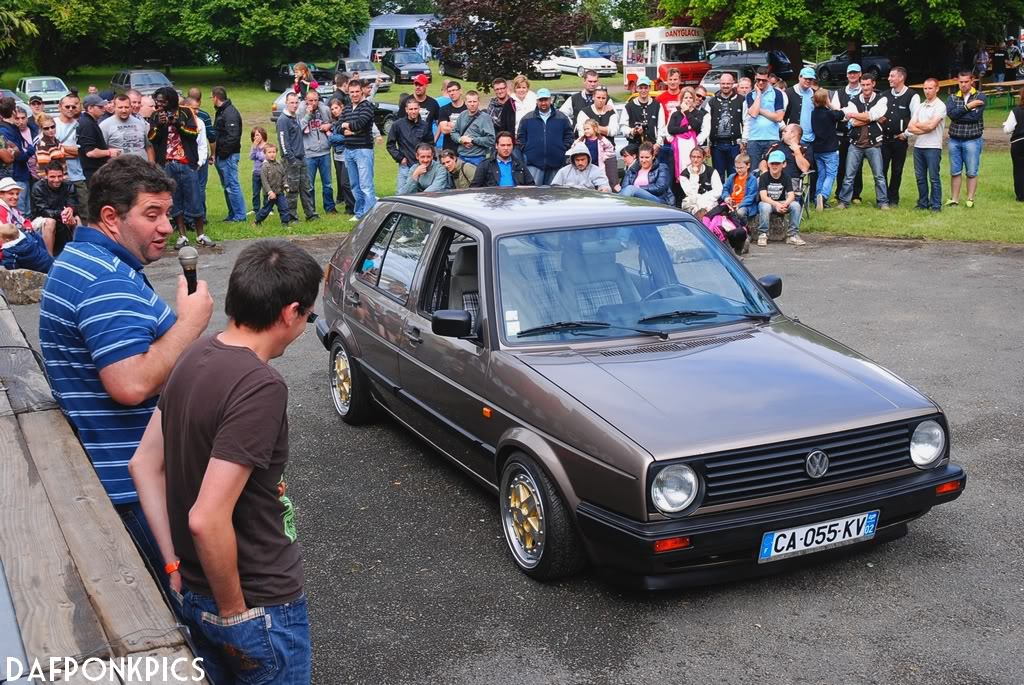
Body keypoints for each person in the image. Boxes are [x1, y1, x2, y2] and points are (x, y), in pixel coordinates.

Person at [129, 239, 319, 685]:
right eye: (308, 315)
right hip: (257, 600)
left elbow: (143, 464)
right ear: (291, 312)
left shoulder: (193, 354)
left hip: (193, 590)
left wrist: (174, 564)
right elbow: (206, 518)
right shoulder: (260, 385)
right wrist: (236, 614)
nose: (307, 325)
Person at [39, 155, 214, 593]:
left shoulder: (87, 260)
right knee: (184, 604)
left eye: (168, 214)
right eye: (151, 214)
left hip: (128, 474)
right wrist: (190, 325)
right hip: (133, 487)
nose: (166, 227)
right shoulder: (104, 281)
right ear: (111, 218)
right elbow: (130, 384)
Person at [148, 87, 213, 248]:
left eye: (162, 101)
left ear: (170, 100)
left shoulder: (186, 112)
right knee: (174, 200)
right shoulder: (155, 116)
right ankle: (182, 236)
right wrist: (161, 125)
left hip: (186, 163)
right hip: (167, 164)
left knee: (195, 198)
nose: (159, 104)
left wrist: (176, 123)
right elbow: (152, 138)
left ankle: (201, 234)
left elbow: (193, 133)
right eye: (157, 101)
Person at [837, 73, 889, 210]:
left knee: (879, 175)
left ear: (873, 84)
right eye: (863, 85)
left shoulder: (881, 99)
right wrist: (869, 117)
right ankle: (844, 201)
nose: (865, 87)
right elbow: (853, 122)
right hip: (855, 144)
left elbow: (874, 115)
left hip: (874, 144)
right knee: (849, 176)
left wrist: (855, 115)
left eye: (868, 84)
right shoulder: (853, 101)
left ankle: (883, 202)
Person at [946, 70, 987, 208]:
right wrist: (969, 106)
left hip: (972, 139)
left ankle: (970, 199)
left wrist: (959, 114)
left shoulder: (980, 96)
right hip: (954, 139)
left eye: (966, 82)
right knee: (955, 171)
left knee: (971, 171)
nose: (963, 85)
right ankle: (954, 199)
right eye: (961, 82)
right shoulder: (952, 97)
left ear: (972, 81)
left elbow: (974, 117)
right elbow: (951, 115)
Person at [337, 80, 377, 220]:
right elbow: (337, 127)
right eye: (351, 92)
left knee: (366, 184)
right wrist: (350, 129)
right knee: (354, 185)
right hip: (349, 150)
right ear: (348, 92)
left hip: (363, 150)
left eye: (356, 92)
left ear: (362, 91)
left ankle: (370, 215)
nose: (354, 94)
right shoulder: (347, 108)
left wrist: (348, 126)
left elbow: (360, 123)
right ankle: (359, 213)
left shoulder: (367, 106)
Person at [517, 89, 574, 185]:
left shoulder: (561, 117)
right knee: (534, 193)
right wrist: (527, 149)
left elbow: (569, 135)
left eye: (546, 100)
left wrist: (562, 148)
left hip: (556, 163)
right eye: (541, 100)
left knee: (554, 195)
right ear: (537, 101)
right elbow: (521, 137)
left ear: (550, 100)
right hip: (534, 164)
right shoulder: (527, 118)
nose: (543, 103)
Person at [880, 67, 920, 207]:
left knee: (897, 170)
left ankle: (893, 199)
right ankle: (882, 198)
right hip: (884, 139)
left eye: (892, 76)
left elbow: (916, 117)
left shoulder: (912, 96)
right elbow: (876, 114)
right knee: (882, 169)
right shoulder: (884, 95)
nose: (889, 78)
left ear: (901, 78)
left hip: (900, 140)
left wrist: (906, 134)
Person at [0, 177, 54, 273]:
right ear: (1, 194)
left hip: (17, 241)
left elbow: (24, 221)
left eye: (17, 194)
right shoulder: (2, 210)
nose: (16, 197)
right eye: (11, 193)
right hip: (9, 250)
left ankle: (48, 260)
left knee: (44, 227)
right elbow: (5, 237)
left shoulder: (11, 208)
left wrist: (28, 227)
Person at [908, 78, 947, 211]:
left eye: (930, 88)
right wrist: (925, 126)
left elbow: (932, 126)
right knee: (920, 177)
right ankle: (922, 203)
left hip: (933, 147)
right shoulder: (920, 106)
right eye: (925, 88)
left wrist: (920, 126)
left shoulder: (940, 106)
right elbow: (910, 127)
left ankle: (936, 205)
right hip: (919, 146)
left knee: (934, 177)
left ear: (937, 89)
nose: (927, 91)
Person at [276, 92, 316, 222]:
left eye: (296, 102)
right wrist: (291, 160)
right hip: (291, 160)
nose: (294, 105)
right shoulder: (283, 120)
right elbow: (283, 142)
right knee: (292, 190)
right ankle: (291, 217)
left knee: (305, 187)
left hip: (301, 157)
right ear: (286, 103)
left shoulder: (296, 117)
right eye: (291, 102)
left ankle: (310, 214)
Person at [210, 87, 246, 222]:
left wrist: (223, 154)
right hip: (223, 155)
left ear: (215, 97)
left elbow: (233, 136)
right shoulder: (222, 111)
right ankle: (233, 214)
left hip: (228, 156)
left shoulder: (229, 113)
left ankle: (239, 215)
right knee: (227, 186)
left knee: (232, 185)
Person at [295, 89, 332, 218]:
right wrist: (307, 115)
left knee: (327, 183)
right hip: (309, 153)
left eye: (315, 100)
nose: (313, 103)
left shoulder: (324, 110)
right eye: (310, 100)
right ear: (306, 100)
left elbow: (331, 123)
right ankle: (312, 209)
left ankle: (330, 208)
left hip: (324, 151)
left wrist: (329, 126)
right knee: (309, 185)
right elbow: (297, 129)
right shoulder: (300, 111)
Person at [757, 150, 804, 246]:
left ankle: (792, 234)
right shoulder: (763, 177)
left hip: (782, 202)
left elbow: (791, 195)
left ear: (784, 164)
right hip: (769, 202)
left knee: (795, 205)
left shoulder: (786, 177)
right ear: (768, 164)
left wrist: (785, 204)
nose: (774, 166)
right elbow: (763, 197)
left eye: (777, 163)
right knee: (765, 206)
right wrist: (777, 204)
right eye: (772, 163)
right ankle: (763, 234)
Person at [30, 160, 79, 254]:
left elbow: (74, 202)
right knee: (50, 222)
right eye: (52, 176)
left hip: (62, 215)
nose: (56, 180)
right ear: (46, 176)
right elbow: (42, 210)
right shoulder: (38, 187)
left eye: (59, 176)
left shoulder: (69, 185)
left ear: (63, 175)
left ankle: (78, 253)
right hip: (41, 218)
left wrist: (70, 209)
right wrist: (62, 213)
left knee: (76, 218)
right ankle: (49, 257)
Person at [832, 64, 864, 204]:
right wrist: (852, 115)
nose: (852, 75)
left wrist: (848, 114)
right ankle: (839, 193)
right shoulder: (839, 92)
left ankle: (856, 195)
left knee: (858, 165)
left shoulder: (865, 91)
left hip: (860, 133)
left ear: (860, 74)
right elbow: (836, 113)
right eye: (850, 73)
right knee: (841, 165)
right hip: (842, 134)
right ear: (846, 75)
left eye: (855, 73)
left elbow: (865, 113)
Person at [387, 97, 434, 192]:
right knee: (402, 192)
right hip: (405, 165)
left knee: (421, 192)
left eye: (415, 109)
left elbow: (430, 144)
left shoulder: (424, 125)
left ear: (419, 109)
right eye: (411, 109)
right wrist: (399, 158)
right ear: (406, 110)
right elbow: (390, 144)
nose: (413, 111)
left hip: (421, 165)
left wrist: (428, 161)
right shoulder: (397, 125)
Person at [810, 89, 847, 209]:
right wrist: (830, 104)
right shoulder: (829, 113)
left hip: (817, 148)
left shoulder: (814, 113)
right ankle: (823, 195)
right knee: (831, 174)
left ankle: (817, 198)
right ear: (826, 99)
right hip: (830, 149)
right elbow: (841, 114)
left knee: (821, 174)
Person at [745, 67, 785, 172]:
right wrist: (758, 94)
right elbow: (753, 113)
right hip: (754, 138)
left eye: (764, 80)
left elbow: (779, 117)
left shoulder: (777, 93)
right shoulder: (751, 94)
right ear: (755, 78)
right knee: (754, 171)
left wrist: (760, 110)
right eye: (758, 80)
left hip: (772, 137)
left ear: (768, 79)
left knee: (773, 170)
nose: (761, 82)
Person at [1, 97, 36, 215]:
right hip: (15, 176)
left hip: (23, 174)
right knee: (20, 212)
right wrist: (30, 150)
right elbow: (19, 155)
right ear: (13, 111)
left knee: (27, 211)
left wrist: (23, 150)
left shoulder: (12, 128)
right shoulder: (4, 130)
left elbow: (19, 151)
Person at [575, 87, 618, 182]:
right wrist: (604, 129)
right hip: (589, 154)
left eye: (603, 98)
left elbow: (613, 131)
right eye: (598, 97)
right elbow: (584, 132)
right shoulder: (584, 112)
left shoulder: (611, 112)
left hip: (608, 155)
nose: (601, 100)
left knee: (611, 183)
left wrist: (594, 128)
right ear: (593, 97)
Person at [54, 94, 88, 217]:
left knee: (85, 208)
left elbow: (82, 151)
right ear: (60, 107)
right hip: (58, 175)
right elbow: (50, 150)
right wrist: (72, 152)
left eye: (73, 106)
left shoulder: (80, 125)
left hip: (78, 174)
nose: (70, 109)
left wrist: (61, 149)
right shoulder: (52, 125)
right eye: (67, 106)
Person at [706, 72, 745, 179]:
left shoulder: (741, 100)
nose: (725, 86)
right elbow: (706, 124)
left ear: (733, 84)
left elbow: (746, 121)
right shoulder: (712, 102)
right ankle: (720, 196)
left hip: (734, 145)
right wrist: (707, 144)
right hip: (717, 146)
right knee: (718, 176)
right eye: (723, 83)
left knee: (736, 174)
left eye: (728, 83)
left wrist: (744, 140)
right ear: (719, 84)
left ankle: (734, 195)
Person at [187, 89, 215, 224]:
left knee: (199, 190)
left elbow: (204, 144)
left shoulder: (201, 122)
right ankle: (188, 218)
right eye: (193, 109)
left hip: (199, 162)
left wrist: (200, 161)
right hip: (186, 162)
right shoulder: (179, 122)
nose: (197, 112)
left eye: (197, 109)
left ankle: (200, 217)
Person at [78, 93, 116, 184]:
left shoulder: (90, 122)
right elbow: (90, 152)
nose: (104, 109)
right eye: (100, 107)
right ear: (90, 108)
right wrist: (109, 152)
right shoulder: (87, 124)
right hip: (93, 172)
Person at [326, 98, 355, 215]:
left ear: (342, 107)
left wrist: (332, 137)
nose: (334, 111)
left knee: (346, 182)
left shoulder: (347, 121)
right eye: (332, 109)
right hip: (337, 156)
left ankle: (353, 206)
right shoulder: (334, 123)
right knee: (341, 183)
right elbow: (334, 141)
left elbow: (344, 137)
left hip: (346, 155)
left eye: (336, 108)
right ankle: (349, 207)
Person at [453, 91, 495, 166]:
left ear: (478, 102)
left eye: (474, 101)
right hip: (461, 156)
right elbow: (454, 132)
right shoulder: (462, 115)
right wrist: (460, 140)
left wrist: (473, 140)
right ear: (465, 102)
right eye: (469, 102)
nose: (472, 104)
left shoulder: (485, 118)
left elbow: (491, 140)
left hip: (478, 158)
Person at [100, 94, 149, 158]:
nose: (124, 110)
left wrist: (151, 163)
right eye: (120, 107)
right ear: (114, 107)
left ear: (131, 107)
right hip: (119, 166)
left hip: (142, 165)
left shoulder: (140, 123)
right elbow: (101, 150)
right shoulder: (104, 125)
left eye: (126, 107)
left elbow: (149, 146)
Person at [255, 143, 293, 225]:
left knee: (284, 207)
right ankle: (257, 221)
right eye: (269, 152)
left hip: (279, 192)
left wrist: (285, 185)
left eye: (273, 152)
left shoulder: (279, 164)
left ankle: (285, 223)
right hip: (269, 194)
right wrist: (270, 192)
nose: (272, 154)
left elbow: (283, 175)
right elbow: (264, 182)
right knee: (266, 209)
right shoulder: (265, 166)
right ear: (265, 154)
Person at [678, 146, 722, 216]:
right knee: (696, 210)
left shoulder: (712, 171)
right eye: (693, 157)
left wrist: (703, 198)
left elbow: (718, 190)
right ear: (690, 157)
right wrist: (694, 175)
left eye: (699, 157)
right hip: (691, 202)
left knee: (709, 208)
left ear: (703, 158)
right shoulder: (684, 174)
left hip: (709, 201)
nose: (696, 160)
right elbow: (691, 193)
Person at [717, 152, 758, 227]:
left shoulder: (752, 179)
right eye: (736, 167)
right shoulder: (731, 177)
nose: (738, 170)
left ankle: (745, 229)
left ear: (748, 165)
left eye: (741, 168)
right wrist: (727, 197)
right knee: (718, 211)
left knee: (740, 213)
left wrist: (740, 205)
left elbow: (750, 197)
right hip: (731, 203)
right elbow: (725, 188)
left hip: (745, 205)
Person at [624, 76, 665, 148]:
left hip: (652, 145)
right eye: (641, 88)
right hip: (634, 146)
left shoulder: (657, 106)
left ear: (649, 88)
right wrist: (633, 131)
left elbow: (661, 127)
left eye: (645, 88)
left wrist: (658, 144)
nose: (643, 90)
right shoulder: (629, 106)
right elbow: (623, 127)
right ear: (637, 88)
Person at [783, 67, 817, 146]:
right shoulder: (788, 93)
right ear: (799, 77)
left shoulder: (815, 94)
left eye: (810, 79)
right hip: (792, 138)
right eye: (805, 78)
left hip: (811, 138)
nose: (808, 81)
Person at [1002, 87, 1024, 201]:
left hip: (1019, 142)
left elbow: (1007, 129)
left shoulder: (1016, 111)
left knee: (1019, 169)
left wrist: (1005, 124)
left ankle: (1021, 195)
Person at [435, 81, 467, 154]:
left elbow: (471, 129)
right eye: (449, 91)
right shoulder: (444, 109)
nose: (452, 93)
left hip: (465, 150)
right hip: (448, 150)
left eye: (454, 90)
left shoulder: (467, 108)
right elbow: (444, 130)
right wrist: (461, 127)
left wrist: (451, 124)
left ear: (460, 91)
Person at [249, 126, 268, 217]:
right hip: (256, 172)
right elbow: (251, 157)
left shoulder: (267, 146)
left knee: (266, 191)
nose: (255, 137)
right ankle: (255, 208)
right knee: (255, 192)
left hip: (266, 173)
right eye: (254, 136)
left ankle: (267, 207)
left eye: (257, 135)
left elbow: (264, 157)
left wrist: (258, 154)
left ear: (262, 135)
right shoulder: (255, 147)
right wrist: (254, 147)